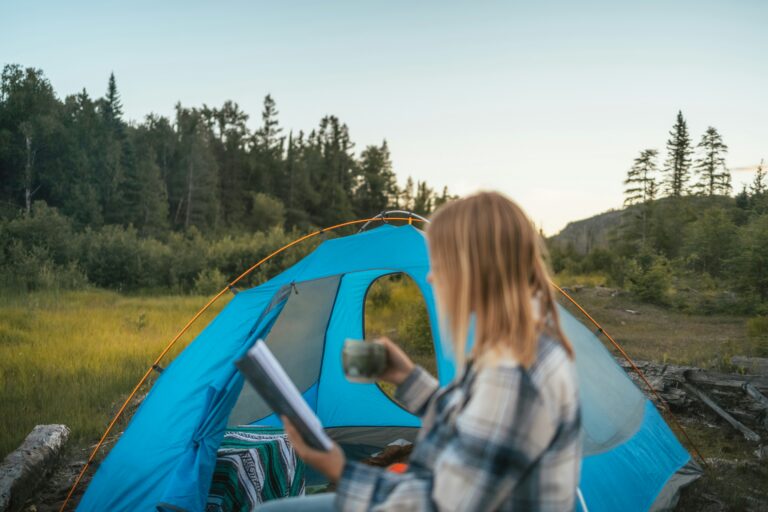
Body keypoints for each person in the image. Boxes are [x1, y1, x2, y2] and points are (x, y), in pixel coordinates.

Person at [260, 191, 581, 511]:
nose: (430, 275)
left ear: (475, 269)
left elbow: (441, 504)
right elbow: (469, 423)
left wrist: (339, 470)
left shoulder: (512, 373)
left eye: (440, 262)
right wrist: (406, 376)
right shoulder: (522, 345)